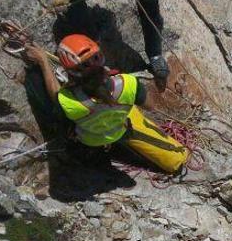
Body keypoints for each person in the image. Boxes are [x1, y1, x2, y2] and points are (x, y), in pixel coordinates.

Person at [25, 34, 188, 174]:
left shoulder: (70, 102)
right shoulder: (129, 84)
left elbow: (55, 94)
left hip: (90, 139)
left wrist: (43, 61)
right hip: (120, 128)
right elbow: (150, 106)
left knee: (35, 83)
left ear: (71, 73)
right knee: (130, 112)